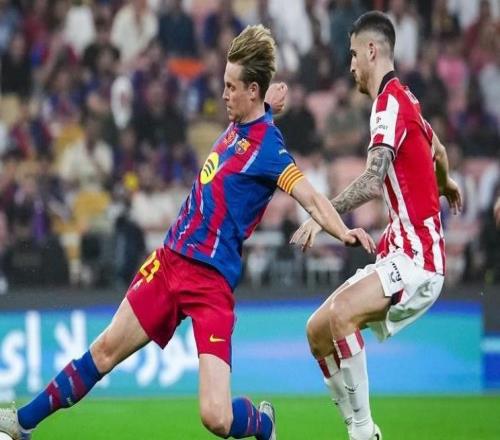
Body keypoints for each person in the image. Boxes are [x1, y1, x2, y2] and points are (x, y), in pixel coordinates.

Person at [0, 25, 375, 440]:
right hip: (169, 263)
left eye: (231, 87)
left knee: (216, 419)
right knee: (103, 351)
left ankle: (262, 423)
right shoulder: (243, 117)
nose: (223, 95)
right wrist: (269, 101)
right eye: (224, 84)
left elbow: (311, 198)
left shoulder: (270, 149)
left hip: (211, 284)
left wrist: (343, 232)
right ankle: (22, 422)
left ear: (251, 91)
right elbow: (259, 108)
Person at [290, 12, 462, 440]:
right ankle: (359, 428)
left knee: (342, 315)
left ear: (371, 51)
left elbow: (371, 179)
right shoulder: (406, 101)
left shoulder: (389, 103)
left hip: (419, 259)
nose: (350, 65)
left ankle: (364, 433)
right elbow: (439, 150)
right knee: (317, 332)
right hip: (398, 253)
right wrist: (446, 184)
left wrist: (322, 214)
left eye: (353, 54)